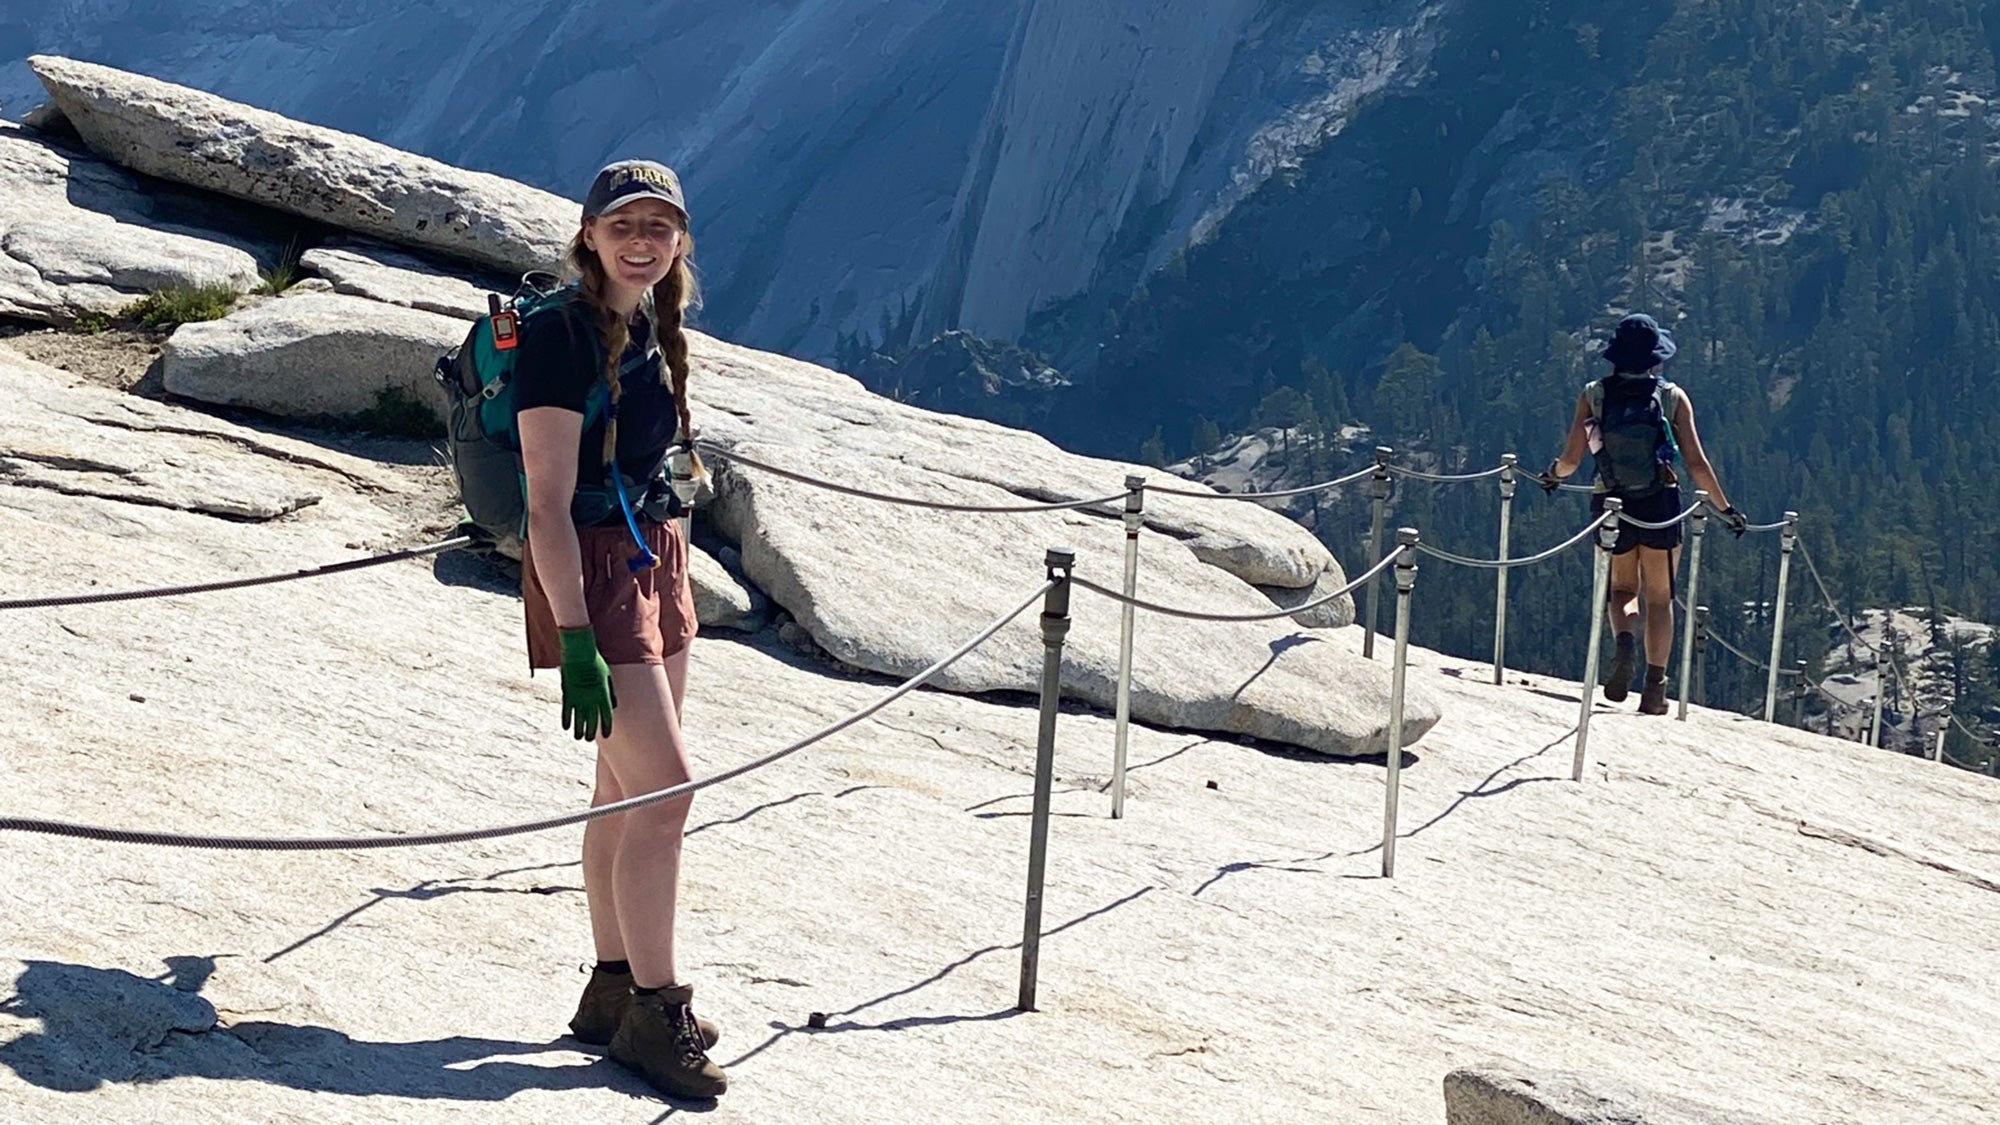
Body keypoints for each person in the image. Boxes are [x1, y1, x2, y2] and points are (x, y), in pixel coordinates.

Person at [513, 159, 726, 1100]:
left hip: (651, 559)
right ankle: (655, 1006)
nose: (642, 241)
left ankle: (610, 988)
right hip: (593, 576)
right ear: (589, 236)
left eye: (660, 226)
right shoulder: (559, 336)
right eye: (624, 225)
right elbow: (546, 509)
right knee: (668, 796)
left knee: (621, 790)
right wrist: (576, 640)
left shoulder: (647, 321)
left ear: (680, 241)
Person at [1537, 312, 1748, 715]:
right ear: (1655, 357)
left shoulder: (1594, 395)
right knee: (1660, 597)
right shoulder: (1671, 398)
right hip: (1660, 504)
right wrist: (1726, 509)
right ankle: (1655, 687)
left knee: (1622, 591)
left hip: (1612, 504)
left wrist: (1552, 477)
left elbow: (1571, 459)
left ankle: (1624, 643)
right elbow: (1697, 464)